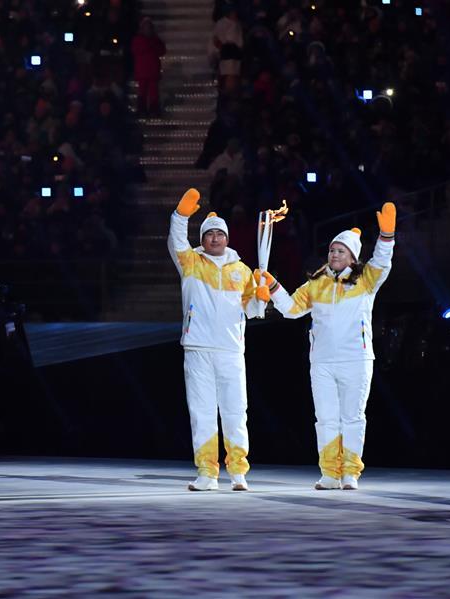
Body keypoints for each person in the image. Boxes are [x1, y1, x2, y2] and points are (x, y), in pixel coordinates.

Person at [259, 203, 396, 490]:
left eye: (341, 251)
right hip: (322, 362)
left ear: (352, 257)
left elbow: (382, 263)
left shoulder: (366, 280)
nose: (334, 254)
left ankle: (350, 473)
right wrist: (273, 287)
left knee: (353, 418)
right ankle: (330, 473)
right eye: (333, 250)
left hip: (356, 360)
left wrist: (386, 236)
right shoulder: (316, 284)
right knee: (326, 420)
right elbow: (292, 309)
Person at [167, 188, 270, 491]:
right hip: (198, 348)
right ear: (202, 239)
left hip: (230, 350)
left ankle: (238, 472)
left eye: (219, 234)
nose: (215, 238)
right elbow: (176, 241)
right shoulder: (190, 264)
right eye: (209, 234)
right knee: (202, 412)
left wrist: (261, 297)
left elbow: (252, 310)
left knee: (235, 411)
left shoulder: (242, 271)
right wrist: (180, 216)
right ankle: (207, 474)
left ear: (227, 238)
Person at [130, 17, 166, 117]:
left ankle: (153, 109)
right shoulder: (138, 40)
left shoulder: (155, 40)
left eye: (149, 27)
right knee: (142, 91)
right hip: (143, 70)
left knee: (153, 91)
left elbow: (162, 51)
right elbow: (136, 50)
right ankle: (142, 109)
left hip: (152, 70)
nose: (147, 30)